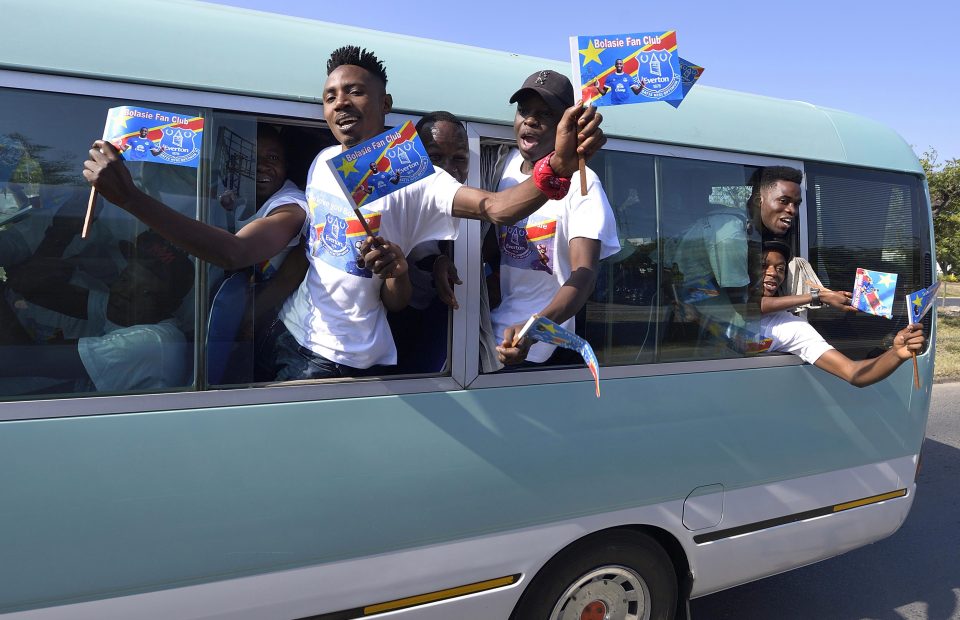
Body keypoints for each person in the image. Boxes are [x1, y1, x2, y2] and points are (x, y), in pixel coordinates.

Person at [82, 46, 606, 380]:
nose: (340, 103)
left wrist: (556, 167)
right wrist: (131, 199)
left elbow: (497, 208)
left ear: (385, 102)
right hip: (287, 336)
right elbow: (236, 251)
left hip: (338, 365)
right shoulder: (322, 163)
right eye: (331, 95)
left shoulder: (416, 172)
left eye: (355, 91)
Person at [491, 69, 620, 366]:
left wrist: (534, 329)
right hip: (490, 333)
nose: (530, 120)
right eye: (524, 110)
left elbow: (584, 274)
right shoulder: (502, 166)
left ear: (567, 124)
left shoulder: (583, 184)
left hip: (542, 347)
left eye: (545, 114)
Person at [0, 229, 194, 393]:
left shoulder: (150, 342)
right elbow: (34, 289)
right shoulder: (129, 310)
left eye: (145, 292)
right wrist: (61, 237)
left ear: (171, 305)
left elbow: (23, 359)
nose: (124, 293)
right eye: (126, 279)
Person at [758, 240, 924, 387]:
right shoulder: (732, 310)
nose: (773, 273)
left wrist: (896, 353)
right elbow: (748, 306)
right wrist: (818, 296)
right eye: (762, 265)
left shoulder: (790, 326)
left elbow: (853, 373)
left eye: (780, 268)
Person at [387, 111, 468, 373]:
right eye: (434, 158)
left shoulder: (469, 197)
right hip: (395, 320)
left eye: (459, 159)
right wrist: (438, 262)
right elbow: (422, 251)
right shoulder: (398, 198)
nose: (448, 170)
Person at [747, 165, 856, 315]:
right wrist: (819, 295)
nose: (793, 210)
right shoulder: (734, 239)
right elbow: (747, 305)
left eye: (796, 204)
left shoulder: (780, 238)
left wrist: (829, 296)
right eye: (784, 201)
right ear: (759, 201)